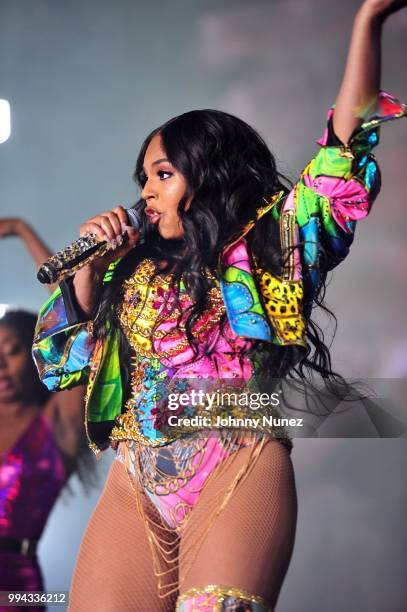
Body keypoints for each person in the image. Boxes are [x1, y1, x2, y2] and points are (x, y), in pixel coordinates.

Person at [32, 1, 407, 610]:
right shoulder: (128, 269)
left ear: (205, 176)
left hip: (236, 465)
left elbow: (341, 155)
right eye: (142, 179)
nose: (145, 192)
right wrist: (89, 272)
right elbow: (59, 369)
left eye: (161, 174)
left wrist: (367, 21)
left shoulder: (265, 250)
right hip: (135, 485)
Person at [0, 219, 94, 611]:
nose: (1, 366)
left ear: (36, 356)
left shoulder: (58, 421)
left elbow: (71, 317)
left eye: (13, 350)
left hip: (14, 588)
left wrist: (23, 230)